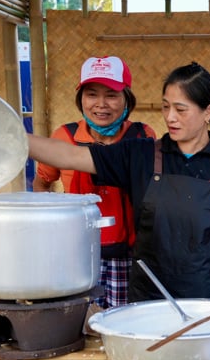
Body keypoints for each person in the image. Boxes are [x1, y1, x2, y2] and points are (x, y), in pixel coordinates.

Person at [28, 61, 210, 304]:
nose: (170, 117)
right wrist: (13, 136)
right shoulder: (140, 155)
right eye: (165, 107)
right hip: (150, 301)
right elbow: (70, 155)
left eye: (180, 110)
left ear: (208, 112)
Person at [33, 56, 156, 308]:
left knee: (125, 324)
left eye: (111, 94)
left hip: (130, 257)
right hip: (77, 255)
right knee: (80, 325)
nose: (101, 105)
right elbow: (43, 183)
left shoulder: (143, 136)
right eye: (91, 94)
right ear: (81, 99)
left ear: (127, 99)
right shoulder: (64, 137)